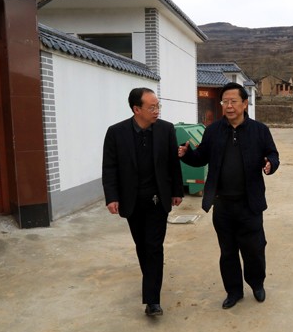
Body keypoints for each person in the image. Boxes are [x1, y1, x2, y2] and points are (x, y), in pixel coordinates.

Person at [178, 82, 279, 309]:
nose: (229, 106)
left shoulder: (259, 130)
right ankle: (233, 291)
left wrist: (271, 164)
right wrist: (187, 154)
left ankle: (257, 284)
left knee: (254, 249)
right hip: (222, 204)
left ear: (245, 104)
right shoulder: (213, 130)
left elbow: (273, 154)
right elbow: (201, 157)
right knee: (228, 251)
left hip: (249, 204)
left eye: (234, 101)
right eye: (225, 102)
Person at [102, 87, 184, 317]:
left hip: (158, 199)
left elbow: (173, 164)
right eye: (152, 107)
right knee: (142, 246)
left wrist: (177, 191)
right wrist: (112, 196)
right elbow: (109, 167)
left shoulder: (166, 129)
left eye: (158, 106)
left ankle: (152, 300)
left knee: (154, 247)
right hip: (132, 200)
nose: (157, 110)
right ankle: (151, 284)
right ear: (136, 109)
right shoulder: (116, 133)